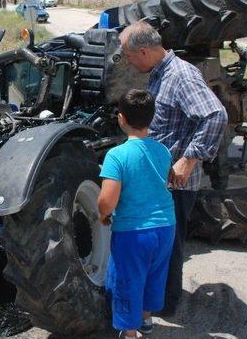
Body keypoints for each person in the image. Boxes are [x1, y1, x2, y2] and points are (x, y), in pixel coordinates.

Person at [119, 21, 228, 316]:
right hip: (160, 180)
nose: (127, 62)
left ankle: (166, 306)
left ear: (143, 51)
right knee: (159, 245)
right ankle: (157, 300)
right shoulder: (159, 75)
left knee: (169, 247)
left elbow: (215, 115)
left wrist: (189, 159)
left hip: (177, 182)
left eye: (128, 56)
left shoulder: (181, 75)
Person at [98, 89, 176, 338]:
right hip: (166, 226)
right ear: (151, 118)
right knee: (155, 274)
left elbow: (107, 200)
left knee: (127, 281)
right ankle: (145, 320)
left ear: (121, 118)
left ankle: (129, 332)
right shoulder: (163, 151)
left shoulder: (117, 155)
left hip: (134, 232)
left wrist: (103, 214)